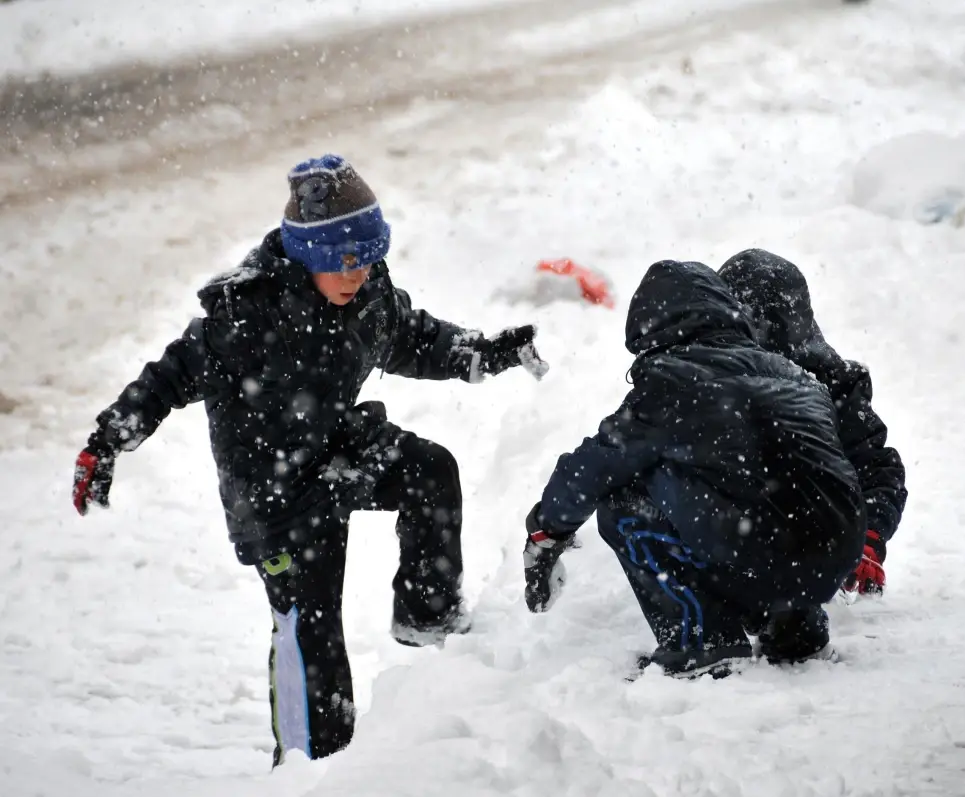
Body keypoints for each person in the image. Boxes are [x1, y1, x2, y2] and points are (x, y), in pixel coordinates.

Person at [70, 154, 547, 764]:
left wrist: (484, 351)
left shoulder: (368, 295)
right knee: (312, 629)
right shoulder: (246, 318)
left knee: (431, 470)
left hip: (338, 450)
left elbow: (415, 338)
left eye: (368, 256)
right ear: (307, 257)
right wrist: (106, 441)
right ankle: (306, 765)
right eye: (343, 262)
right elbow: (167, 378)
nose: (358, 273)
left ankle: (430, 623)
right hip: (275, 496)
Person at [522, 259, 865, 678]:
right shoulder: (796, 375)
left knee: (625, 493)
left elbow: (594, 467)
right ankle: (796, 627)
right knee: (780, 487)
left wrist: (545, 529)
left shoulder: (673, 379)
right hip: (834, 557)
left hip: (761, 552)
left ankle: (702, 640)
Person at [718, 249, 907, 597]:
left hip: (806, 551)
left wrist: (868, 540)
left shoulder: (832, 384)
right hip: (720, 546)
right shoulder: (708, 376)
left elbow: (877, 469)